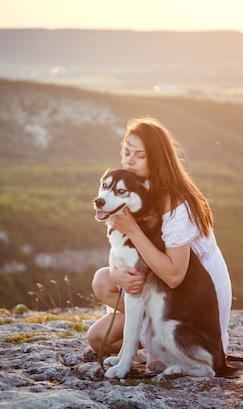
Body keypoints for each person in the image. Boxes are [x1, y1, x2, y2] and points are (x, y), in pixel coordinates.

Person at [86, 116, 232, 371]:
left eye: (139, 155)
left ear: (157, 158)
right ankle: (152, 340)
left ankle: (170, 347)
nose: (129, 160)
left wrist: (131, 228)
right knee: (100, 327)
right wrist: (118, 274)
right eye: (126, 152)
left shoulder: (176, 202)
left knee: (156, 358)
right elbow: (133, 257)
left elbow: (175, 276)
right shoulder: (135, 189)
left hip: (191, 297)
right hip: (157, 281)